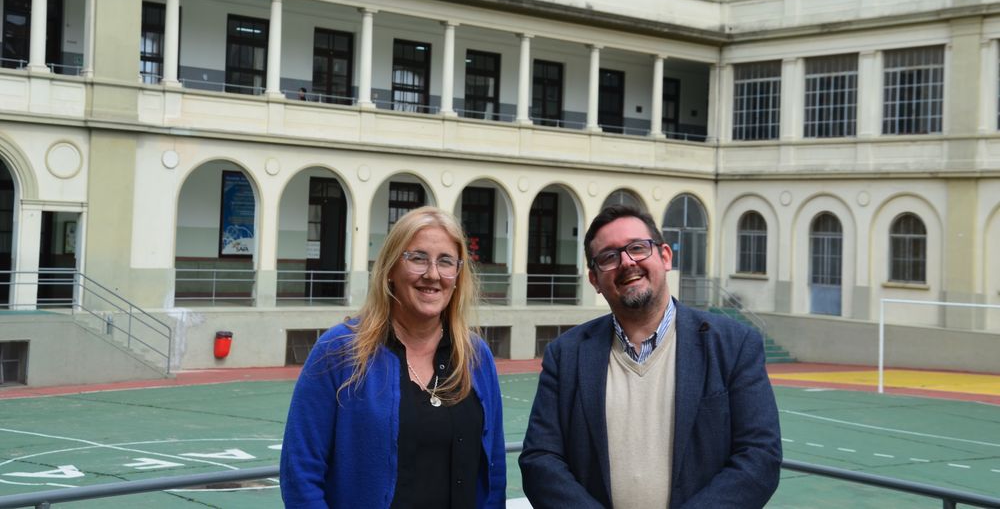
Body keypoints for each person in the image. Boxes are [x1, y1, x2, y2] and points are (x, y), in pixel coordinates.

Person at [519, 204, 781, 508]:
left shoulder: (733, 346)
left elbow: (759, 457)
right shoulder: (566, 355)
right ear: (594, 280)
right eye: (609, 257)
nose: (627, 262)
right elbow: (541, 460)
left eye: (638, 248)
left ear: (665, 256)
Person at [281, 206, 506, 508]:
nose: (433, 274)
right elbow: (300, 473)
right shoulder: (339, 351)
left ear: (457, 275)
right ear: (390, 270)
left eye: (446, 262)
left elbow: (494, 470)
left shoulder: (476, 356)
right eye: (418, 258)